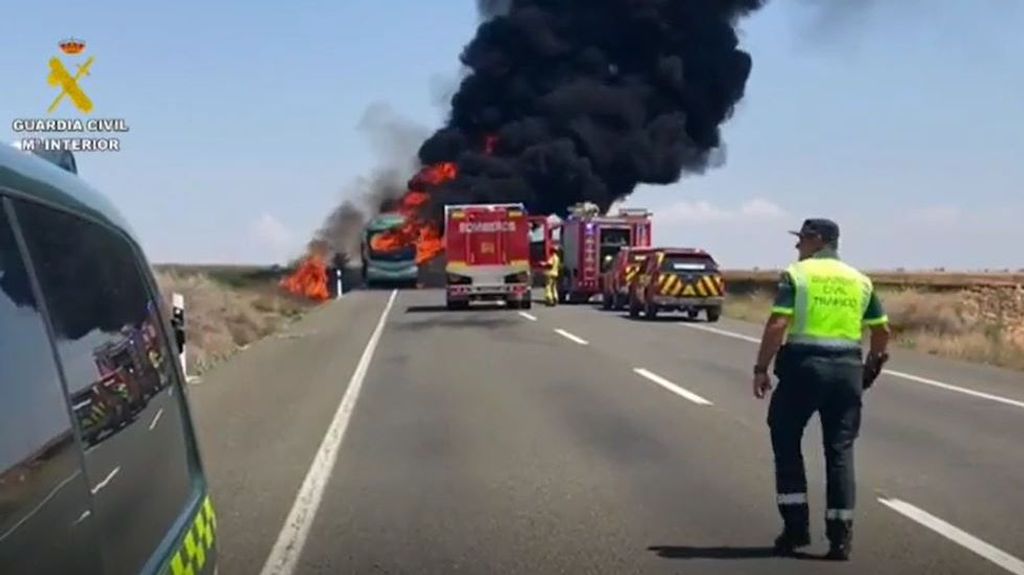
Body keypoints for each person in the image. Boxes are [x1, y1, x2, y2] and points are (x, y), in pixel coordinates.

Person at [751, 218, 891, 561]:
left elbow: (778, 323)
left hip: (804, 367)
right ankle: (840, 538)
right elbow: (882, 331)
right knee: (840, 451)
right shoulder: (860, 280)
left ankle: (796, 529)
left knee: (785, 439)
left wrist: (761, 368)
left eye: (801, 240)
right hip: (846, 370)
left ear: (817, 240)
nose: (797, 247)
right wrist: (871, 367)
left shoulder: (798, 275)